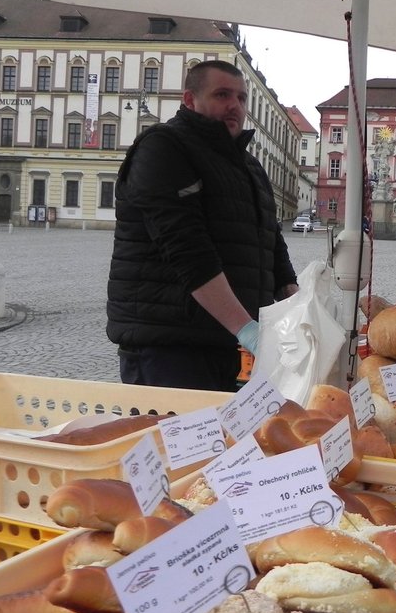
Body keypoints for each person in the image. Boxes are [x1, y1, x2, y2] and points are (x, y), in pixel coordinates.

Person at [108, 60, 298, 392]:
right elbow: (187, 250)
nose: (234, 106)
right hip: (172, 351)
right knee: (178, 444)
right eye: (222, 94)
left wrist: (298, 308)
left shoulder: (250, 167)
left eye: (241, 98)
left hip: (235, 351)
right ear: (189, 99)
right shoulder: (163, 147)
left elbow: (272, 248)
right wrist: (247, 330)